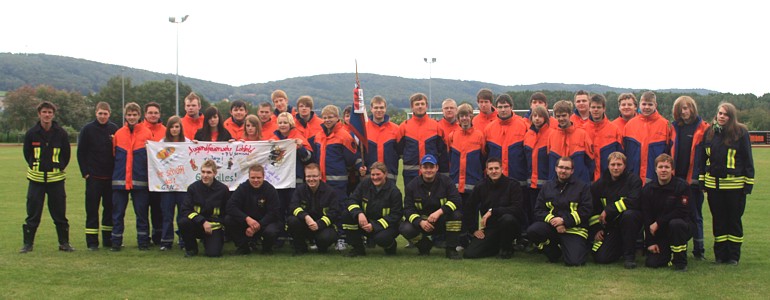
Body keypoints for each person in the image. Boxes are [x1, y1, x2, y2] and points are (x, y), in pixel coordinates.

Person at [699, 102, 754, 265]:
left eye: (725, 114)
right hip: (713, 187)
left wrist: (748, 184)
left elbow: (747, 159)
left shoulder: (740, 132)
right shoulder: (709, 132)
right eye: (720, 113)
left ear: (731, 117)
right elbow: (703, 159)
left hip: (735, 187)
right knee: (719, 221)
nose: (721, 116)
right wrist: (702, 181)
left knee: (734, 221)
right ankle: (720, 255)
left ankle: (733, 256)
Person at [20, 101, 74, 253]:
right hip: (36, 180)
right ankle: (28, 244)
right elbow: (27, 153)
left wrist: (59, 166)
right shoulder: (31, 133)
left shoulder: (61, 133)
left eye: (50, 112)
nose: (47, 115)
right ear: (39, 114)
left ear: (53, 114)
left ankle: (64, 243)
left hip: (56, 180)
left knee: (59, 213)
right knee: (33, 213)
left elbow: (66, 154)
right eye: (44, 112)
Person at [313, 105, 362, 251]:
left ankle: (342, 238)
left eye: (331, 117)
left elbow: (351, 158)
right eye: (325, 117)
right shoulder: (319, 135)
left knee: (340, 209)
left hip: (338, 180)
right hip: (321, 181)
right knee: (322, 210)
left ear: (337, 118)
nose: (327, 120)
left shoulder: (344, 135)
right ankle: (321, 237)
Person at [527, 156, 592, 266]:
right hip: (553, 227)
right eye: (561, 167)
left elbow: (586, 210)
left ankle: (576, 249)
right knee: (533, 231)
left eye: (567, 168)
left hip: (574, 229)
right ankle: (554, 252)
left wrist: (564, 221)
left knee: (574, 262)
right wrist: (554, 221)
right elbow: (538, 210)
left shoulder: (582, 187)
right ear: (556, 168)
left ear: (572, 171)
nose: (563, 171)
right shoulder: (547, 187)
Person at [400, 154, 463, 259]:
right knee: (404, 227)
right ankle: (424, 246)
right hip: (423, 223)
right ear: (420, 168)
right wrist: (420, 221)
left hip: (441, 221)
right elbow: (407, 209)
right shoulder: (412, 185)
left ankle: (451, 249)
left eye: (431, 167)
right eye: (425, 167)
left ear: (437, 168)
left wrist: (439, 212)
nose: (428, 170)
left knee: (456, 215)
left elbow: (456, 200)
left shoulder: (446, 181)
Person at [671, 96, 710, 260]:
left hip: (694, 180)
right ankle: (678, 247)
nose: (683, 112)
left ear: (692, 109)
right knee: (676, 214)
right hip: (676, 179)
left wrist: (701, 179)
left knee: (695, 215)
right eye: (680, 109)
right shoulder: (673, 128)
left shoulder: (703, 128)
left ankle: (699, 249)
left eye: (686, 108)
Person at [111, 102, 154, 251]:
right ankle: (116, 242)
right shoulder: (118, 133)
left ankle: (143, 242)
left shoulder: (147, 133)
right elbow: (113, 156)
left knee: (142, 213)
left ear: (139, 115)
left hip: (140, 181)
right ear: (125, 115)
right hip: (120, 180)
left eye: (134, 115)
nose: (132, 117)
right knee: (117, 214)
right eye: (129, 115)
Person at [588, 152, 643, 268]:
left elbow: (634, 201)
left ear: (625, 166)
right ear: (608, 166)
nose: (616, 168)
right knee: (601, 258)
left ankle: (629, 257)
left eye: (619, 164)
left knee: (629, 215)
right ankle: (620, 248)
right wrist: (597, 229)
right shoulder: (598, 185)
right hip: (611, 226)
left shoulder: (634, 181)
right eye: (613, 164)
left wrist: (608, 210)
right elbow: (593, 210)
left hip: (630, 224)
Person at [77, 101, 119, 250]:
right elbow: (81, 152)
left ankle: (108, 240)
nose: (102, 116)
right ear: (96, 113)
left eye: (105, 114)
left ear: (109, 114)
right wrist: (85, 173)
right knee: (92, 210)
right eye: (100, 113)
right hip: (93, 177)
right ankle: (92, 242)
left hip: (110, 178)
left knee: (109, 209)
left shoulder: (114, 129)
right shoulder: (87, 129)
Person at [463, 158, 522, 259]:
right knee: (470, 254)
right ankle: (497, 246)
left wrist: (492, 211)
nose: (494, 171)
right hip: (491, 227)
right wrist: (473, 230)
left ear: (502, 169)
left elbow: (517, 209)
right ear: (486, 171)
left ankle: (507, 249)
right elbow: (469, 207)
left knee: (507, 219)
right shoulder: (481, 186)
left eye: (496, 168)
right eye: (490, 169)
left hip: (510, 226)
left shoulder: (513, 185)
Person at [641, 154, 692, 271]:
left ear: (672, 169)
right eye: (660, 167)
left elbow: (682, 211)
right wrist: (650, 242)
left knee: (676, 224)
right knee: (652, 263)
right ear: (655, 169)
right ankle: (668, 254)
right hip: (660, 232)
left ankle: (680, 261)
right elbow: (647, 217)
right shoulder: (648, 189)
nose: (663, 170)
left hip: (681, 227)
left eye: (667, 167)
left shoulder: (682, 186)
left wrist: (659, 222)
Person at [270, 112, 314, 245]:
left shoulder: (298, 137)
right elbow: (269, 161)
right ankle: (281, 236)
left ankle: (296, 237)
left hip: (296, 180)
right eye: (280, 123)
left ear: (291, 124)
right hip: (278, 181)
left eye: (285, 122)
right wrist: (270, 147)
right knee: (279, 208)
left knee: (294, 208)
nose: (283, 125)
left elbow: (309, 159)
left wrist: (300, 148)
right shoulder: (273, 137)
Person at [343, 162, 403, 256]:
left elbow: (396, 215)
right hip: (366, 222)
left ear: (385, 174)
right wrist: (359, 213)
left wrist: (374, 226)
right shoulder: (365, 184)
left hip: (386, 226)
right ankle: (358, 249)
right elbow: (352, 200)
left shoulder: (394, 192)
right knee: (346, 215)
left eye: (378, 174)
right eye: (372, 174)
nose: (375, 177)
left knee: (381, 238)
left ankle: (390, 246)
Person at [447, 103, 486, 246]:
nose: (464, 118)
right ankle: (460, 240)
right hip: (456, 182)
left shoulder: (479, 135)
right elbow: (451, 158)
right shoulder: (452, 136)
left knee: (472, 212)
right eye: (461, 116)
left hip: (473, 182)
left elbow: (483, 158)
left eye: (467, 115)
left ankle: (472, 237)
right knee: (458, 212)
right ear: (458, 118)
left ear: (471, 116)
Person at [225, 164, 283, 255]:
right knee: (228, 220)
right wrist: (247, 219)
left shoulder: (270, 190)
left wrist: (258, 226)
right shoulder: (242, 188)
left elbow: (274, 212)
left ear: (264, 177)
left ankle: (267, 249)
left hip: (265, 223)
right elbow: (230, 206)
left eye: (258, 178)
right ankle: (243, 248)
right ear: (248, 177)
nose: (256, 180)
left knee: (271, 231)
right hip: (247, 222)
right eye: (253, 177)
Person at [178, 160, 230, 257]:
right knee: (183, 222)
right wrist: (202, 222)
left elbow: (226, 212)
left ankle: (212, 242)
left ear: (215, 173)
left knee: (213, 254)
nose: (205, 175)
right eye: (203, 172)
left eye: (209, 172)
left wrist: (218, 225)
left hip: (213, 226)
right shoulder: (193, 188)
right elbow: (185, 210)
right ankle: (191, 249)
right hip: (197, 224)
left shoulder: (223, 190)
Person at [288, 163, 340, 255]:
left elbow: (334, 213)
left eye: (314, 176)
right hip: (305, 225)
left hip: (323, 226)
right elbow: (293, 206)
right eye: (308, 176)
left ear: (320, 176)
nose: (311, 179)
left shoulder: (330, 192)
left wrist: (319, 224)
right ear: (305, 176)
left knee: (326, 238)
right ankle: (301, 248)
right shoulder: (300, 190)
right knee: (292, 220)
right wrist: (306, 217)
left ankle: (322, 247)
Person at [398, 93, 448, 188]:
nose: (420, 106)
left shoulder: (436, 126)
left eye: (422, 104)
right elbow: (399, 150)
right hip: (410, 173)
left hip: (431, 174)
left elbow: (441, 150)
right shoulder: (404, 127)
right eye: (417, 104)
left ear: (426, 106)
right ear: (412, 107)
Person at [623, 91, 673, 184]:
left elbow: (669, 153)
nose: (646, 107)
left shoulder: (665, 125)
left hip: (656, 179)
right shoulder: (630, 125)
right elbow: (625, 152)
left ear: (655, 105)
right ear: (639, 105)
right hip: (633, 178)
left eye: (650, 104)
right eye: (644, 104)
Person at [159, 116, 191, 251]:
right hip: (167, 186)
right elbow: (158, 158)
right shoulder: (162, 143)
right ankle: (166, 241)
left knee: (182, 215)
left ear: (181, 128)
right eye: (172, 127)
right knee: (167, 215)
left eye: (177, 126)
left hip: (183, 186)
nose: (174, 129)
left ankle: (184, 240)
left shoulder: (187, 142)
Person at [548, 100, 595, 183]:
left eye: (563, 115)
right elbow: (549, 162)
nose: (561, 119)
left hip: (580, 184)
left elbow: (590, 162)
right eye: (558, 116)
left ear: (570, 114)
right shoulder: (551, 135)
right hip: (558, 185)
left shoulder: (582, 134)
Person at [141, 102, 167, 247]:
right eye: (150, 112)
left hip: (161, 177)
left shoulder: (165, 130)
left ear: (159, 114)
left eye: (155, 113)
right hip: (143, 174)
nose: (153, 115)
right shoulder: (140, 130)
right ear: (145, 114)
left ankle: (158, 237)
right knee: (143, 207)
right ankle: (144, 238)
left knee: (159, 209)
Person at [523, 106, 553, 233]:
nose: (537, 119)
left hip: (546, 183)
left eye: (540, 116)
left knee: (544, 212)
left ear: (545, 118)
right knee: (531, 209)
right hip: (531, 183)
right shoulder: (528, 134)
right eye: (534, 116)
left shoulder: (551, 133)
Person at [583, 94, 623, 181]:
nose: (596, 110)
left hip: (609, 179)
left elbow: (621, 156)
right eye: (593, 107)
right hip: (588, 179)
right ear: (589, 108)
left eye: (599, 107)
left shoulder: (614, 129)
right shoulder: (582, 130)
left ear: (604, 108)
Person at [364, 95, 401, 180]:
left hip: (390, 175)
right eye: (376, 108)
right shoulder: (364, 129)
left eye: (381, 107)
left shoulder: (396, 129)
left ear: (385, 108)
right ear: (371, 108)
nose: (379, 110)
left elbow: (400, 152)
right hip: (369, 176)